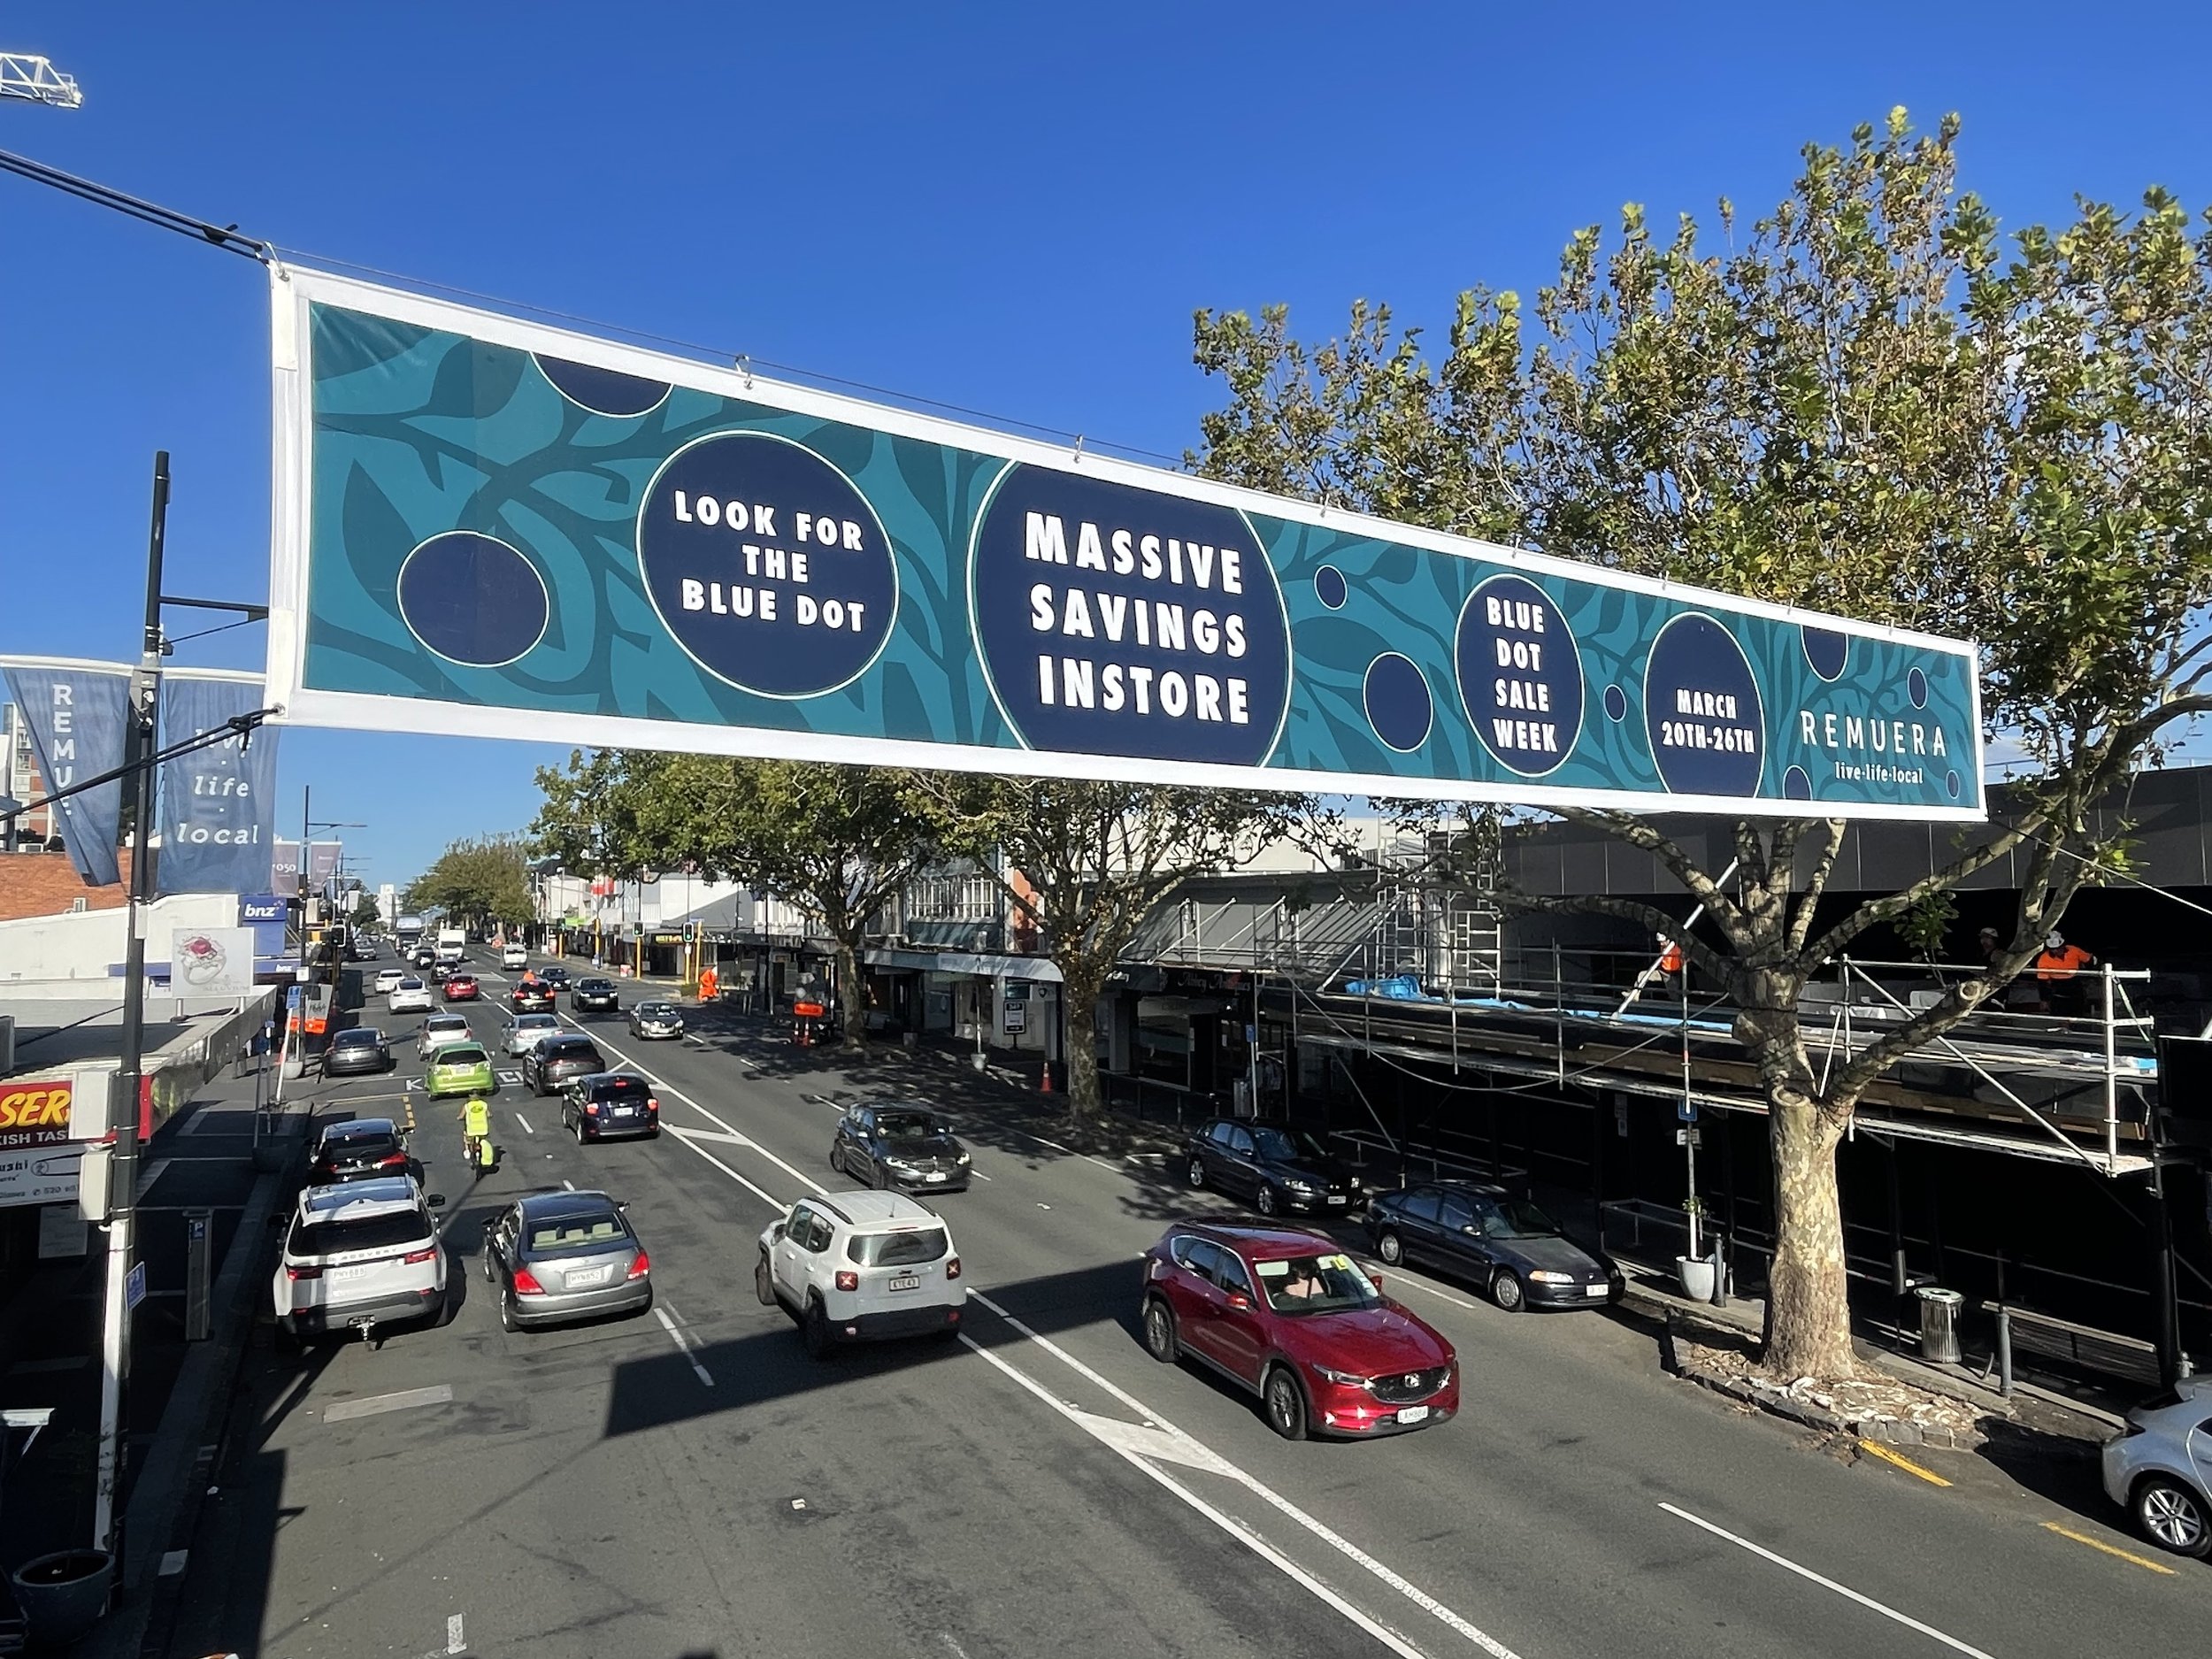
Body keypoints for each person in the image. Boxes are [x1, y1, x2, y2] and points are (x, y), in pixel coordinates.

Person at [2034, 931, 2097, 1016]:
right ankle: (2064, 1027)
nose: (2056, 951)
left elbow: (2090, 960)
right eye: (2053, 949)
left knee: (2078, 1013)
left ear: (2063, 945)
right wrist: (2044, 1000)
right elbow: (2042, 982)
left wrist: (2089, 972)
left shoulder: (2074, 950)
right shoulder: (2044, 959)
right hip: (2057, 988)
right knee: (2061, 1015)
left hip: (2075, 985)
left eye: (2058, 948)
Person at [459, 1094, 493, 1171]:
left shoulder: (467, 1106)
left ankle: (469, 1151)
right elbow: (488, 1114)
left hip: (471, 1130)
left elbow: (461, 1116)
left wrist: (459, 1118)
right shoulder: (483, 1104)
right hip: (483, 1129)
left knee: (467, 1139)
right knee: (483, 1142)